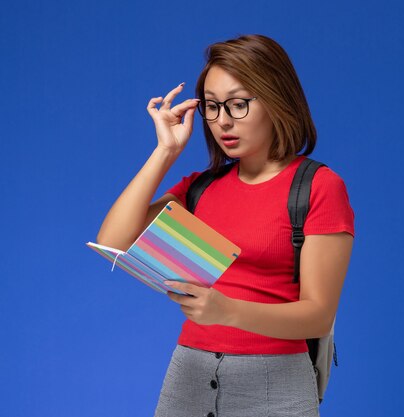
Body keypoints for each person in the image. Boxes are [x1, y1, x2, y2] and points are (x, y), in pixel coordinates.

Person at [96, 34, 354, 417]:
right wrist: (165, 151)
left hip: (276, 382)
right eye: (213, 107)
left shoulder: (316, 187)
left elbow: (318, 314)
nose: (223, 122)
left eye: (238, 104)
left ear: (276, 98)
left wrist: (228, 311)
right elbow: (113, 241)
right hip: (189, 374)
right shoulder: (202, 187)